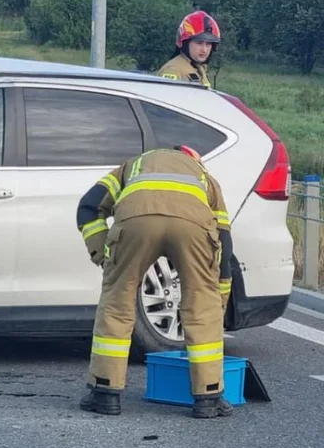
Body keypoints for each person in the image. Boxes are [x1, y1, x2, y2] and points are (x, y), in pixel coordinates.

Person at [75, 145, 234, 418]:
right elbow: (224, 238)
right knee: (202, 307)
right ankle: (208, 397)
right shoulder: (203, 175)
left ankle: (105, 393)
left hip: (136, 223)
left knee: (117, 303)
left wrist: (104, 255)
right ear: (191, 158)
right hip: (192, 228)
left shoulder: (132, 166)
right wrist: (219, 296)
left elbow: (88, 207)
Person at [157, 10, 221, 89]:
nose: (204, 50)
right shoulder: (173, 71)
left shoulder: (199, 69)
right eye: (199, 43)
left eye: (208, 44)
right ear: (185, 43)